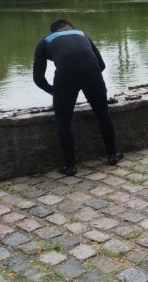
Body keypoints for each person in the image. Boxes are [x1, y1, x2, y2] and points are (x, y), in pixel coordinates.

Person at [33, 19, 123, 176]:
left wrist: (55, 91)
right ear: (70, 28)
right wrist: (88, 81)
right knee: (102, 114)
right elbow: (101, 65)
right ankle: (113, 154)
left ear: (54, 31)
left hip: (65, 77)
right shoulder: (82, 34)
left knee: (63, 121)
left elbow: (38, 79)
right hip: (92, 73)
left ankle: (70, 166)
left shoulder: (45, 41)